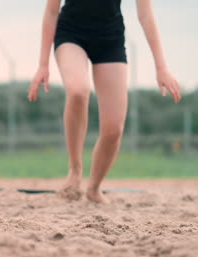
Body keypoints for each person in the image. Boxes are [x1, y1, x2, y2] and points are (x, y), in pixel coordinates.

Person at [27, 0, 182, 203]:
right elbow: (51, 12)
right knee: (78, 90)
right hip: (71, 34)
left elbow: (145, 14)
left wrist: (161, 67)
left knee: (113, 128)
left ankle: (94, 187)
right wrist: (42, 64)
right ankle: (75, 170)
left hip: (110, 38)